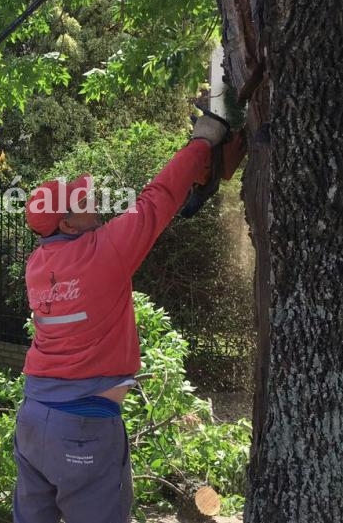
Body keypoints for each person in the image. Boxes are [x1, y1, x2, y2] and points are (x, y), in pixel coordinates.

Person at [13, 114, 242, 523]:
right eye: (83, 204)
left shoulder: (37, 263)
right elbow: (158, 200)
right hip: (82, 429)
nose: (94, 206)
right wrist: (201, 143)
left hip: (32, 421)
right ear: (65, 223)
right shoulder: (102, 252)